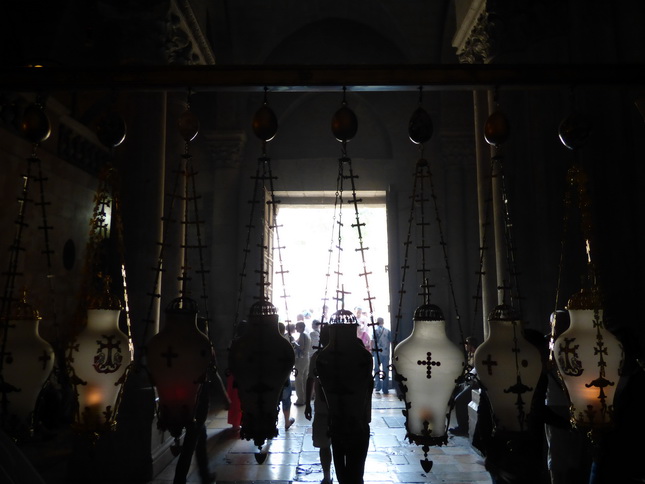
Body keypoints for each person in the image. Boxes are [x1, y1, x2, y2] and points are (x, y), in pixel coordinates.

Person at [305, 325, 333, 484]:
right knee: (334, 444)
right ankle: (330, 475)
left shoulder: (318, 356)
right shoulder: (343, 356)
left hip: (323, 407)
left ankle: (327, 475)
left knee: (324, 444)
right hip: (338, 407)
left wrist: (308, 404)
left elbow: (310, 379)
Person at [449, 336, 479, 436]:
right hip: (470, 380)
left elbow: (476, 370)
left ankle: (463, 427)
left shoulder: (478, 354)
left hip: (476, 383)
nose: (465, 346)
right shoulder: (470, 354)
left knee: (460, 400)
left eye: (467, 344)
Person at [278, 322, 296, 430]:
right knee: (286, 399)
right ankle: (286, 422)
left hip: (272, 375)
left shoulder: (270, 341)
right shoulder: (285, 342)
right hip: (284, 375)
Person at [371, 317, 392, 394]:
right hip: (386, 353)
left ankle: (378, 386)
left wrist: (371, 351)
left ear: (377, 322)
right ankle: (385, 388)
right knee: (385, 369)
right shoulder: (388, 331)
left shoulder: (375, 331)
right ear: (383, 322)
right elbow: (390, 342)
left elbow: (372, 341)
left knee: (376, 369)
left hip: (377, 353)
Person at [294, 321, 311, 405]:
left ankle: (300, 399)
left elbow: (301, 347)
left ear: (301, 327)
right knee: (304, 379)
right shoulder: (306, 335)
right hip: (305, 358)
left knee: (298, 379)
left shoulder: (303, 335)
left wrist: (294, 344)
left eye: (297, 327)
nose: (296, 328)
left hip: (301, 359)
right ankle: (304, 398)